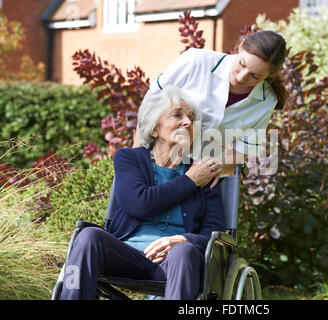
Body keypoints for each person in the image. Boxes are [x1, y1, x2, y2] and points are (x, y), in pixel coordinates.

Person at [60, 85, 225, 300]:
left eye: (191, 118)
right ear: (155, 129)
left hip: (176, 264)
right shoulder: (129, 159)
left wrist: (184, 240)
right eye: (177, 115)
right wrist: (190, 181)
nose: (187, 122)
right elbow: (138, 203)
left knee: (183, 252)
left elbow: (215, 236)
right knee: (89, 236)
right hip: (127, 258)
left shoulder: (204, 174)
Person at [135, 30, 288, 186]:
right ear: (241, 47)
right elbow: (150, 105)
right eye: (242, 64)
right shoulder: (197, 60)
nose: (241, 77)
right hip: (154, 165)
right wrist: (136, 158)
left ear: (270, 76)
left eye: (255, 76)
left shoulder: (267, 100)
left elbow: (244, 149)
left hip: (203, 181)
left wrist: (211, 168)